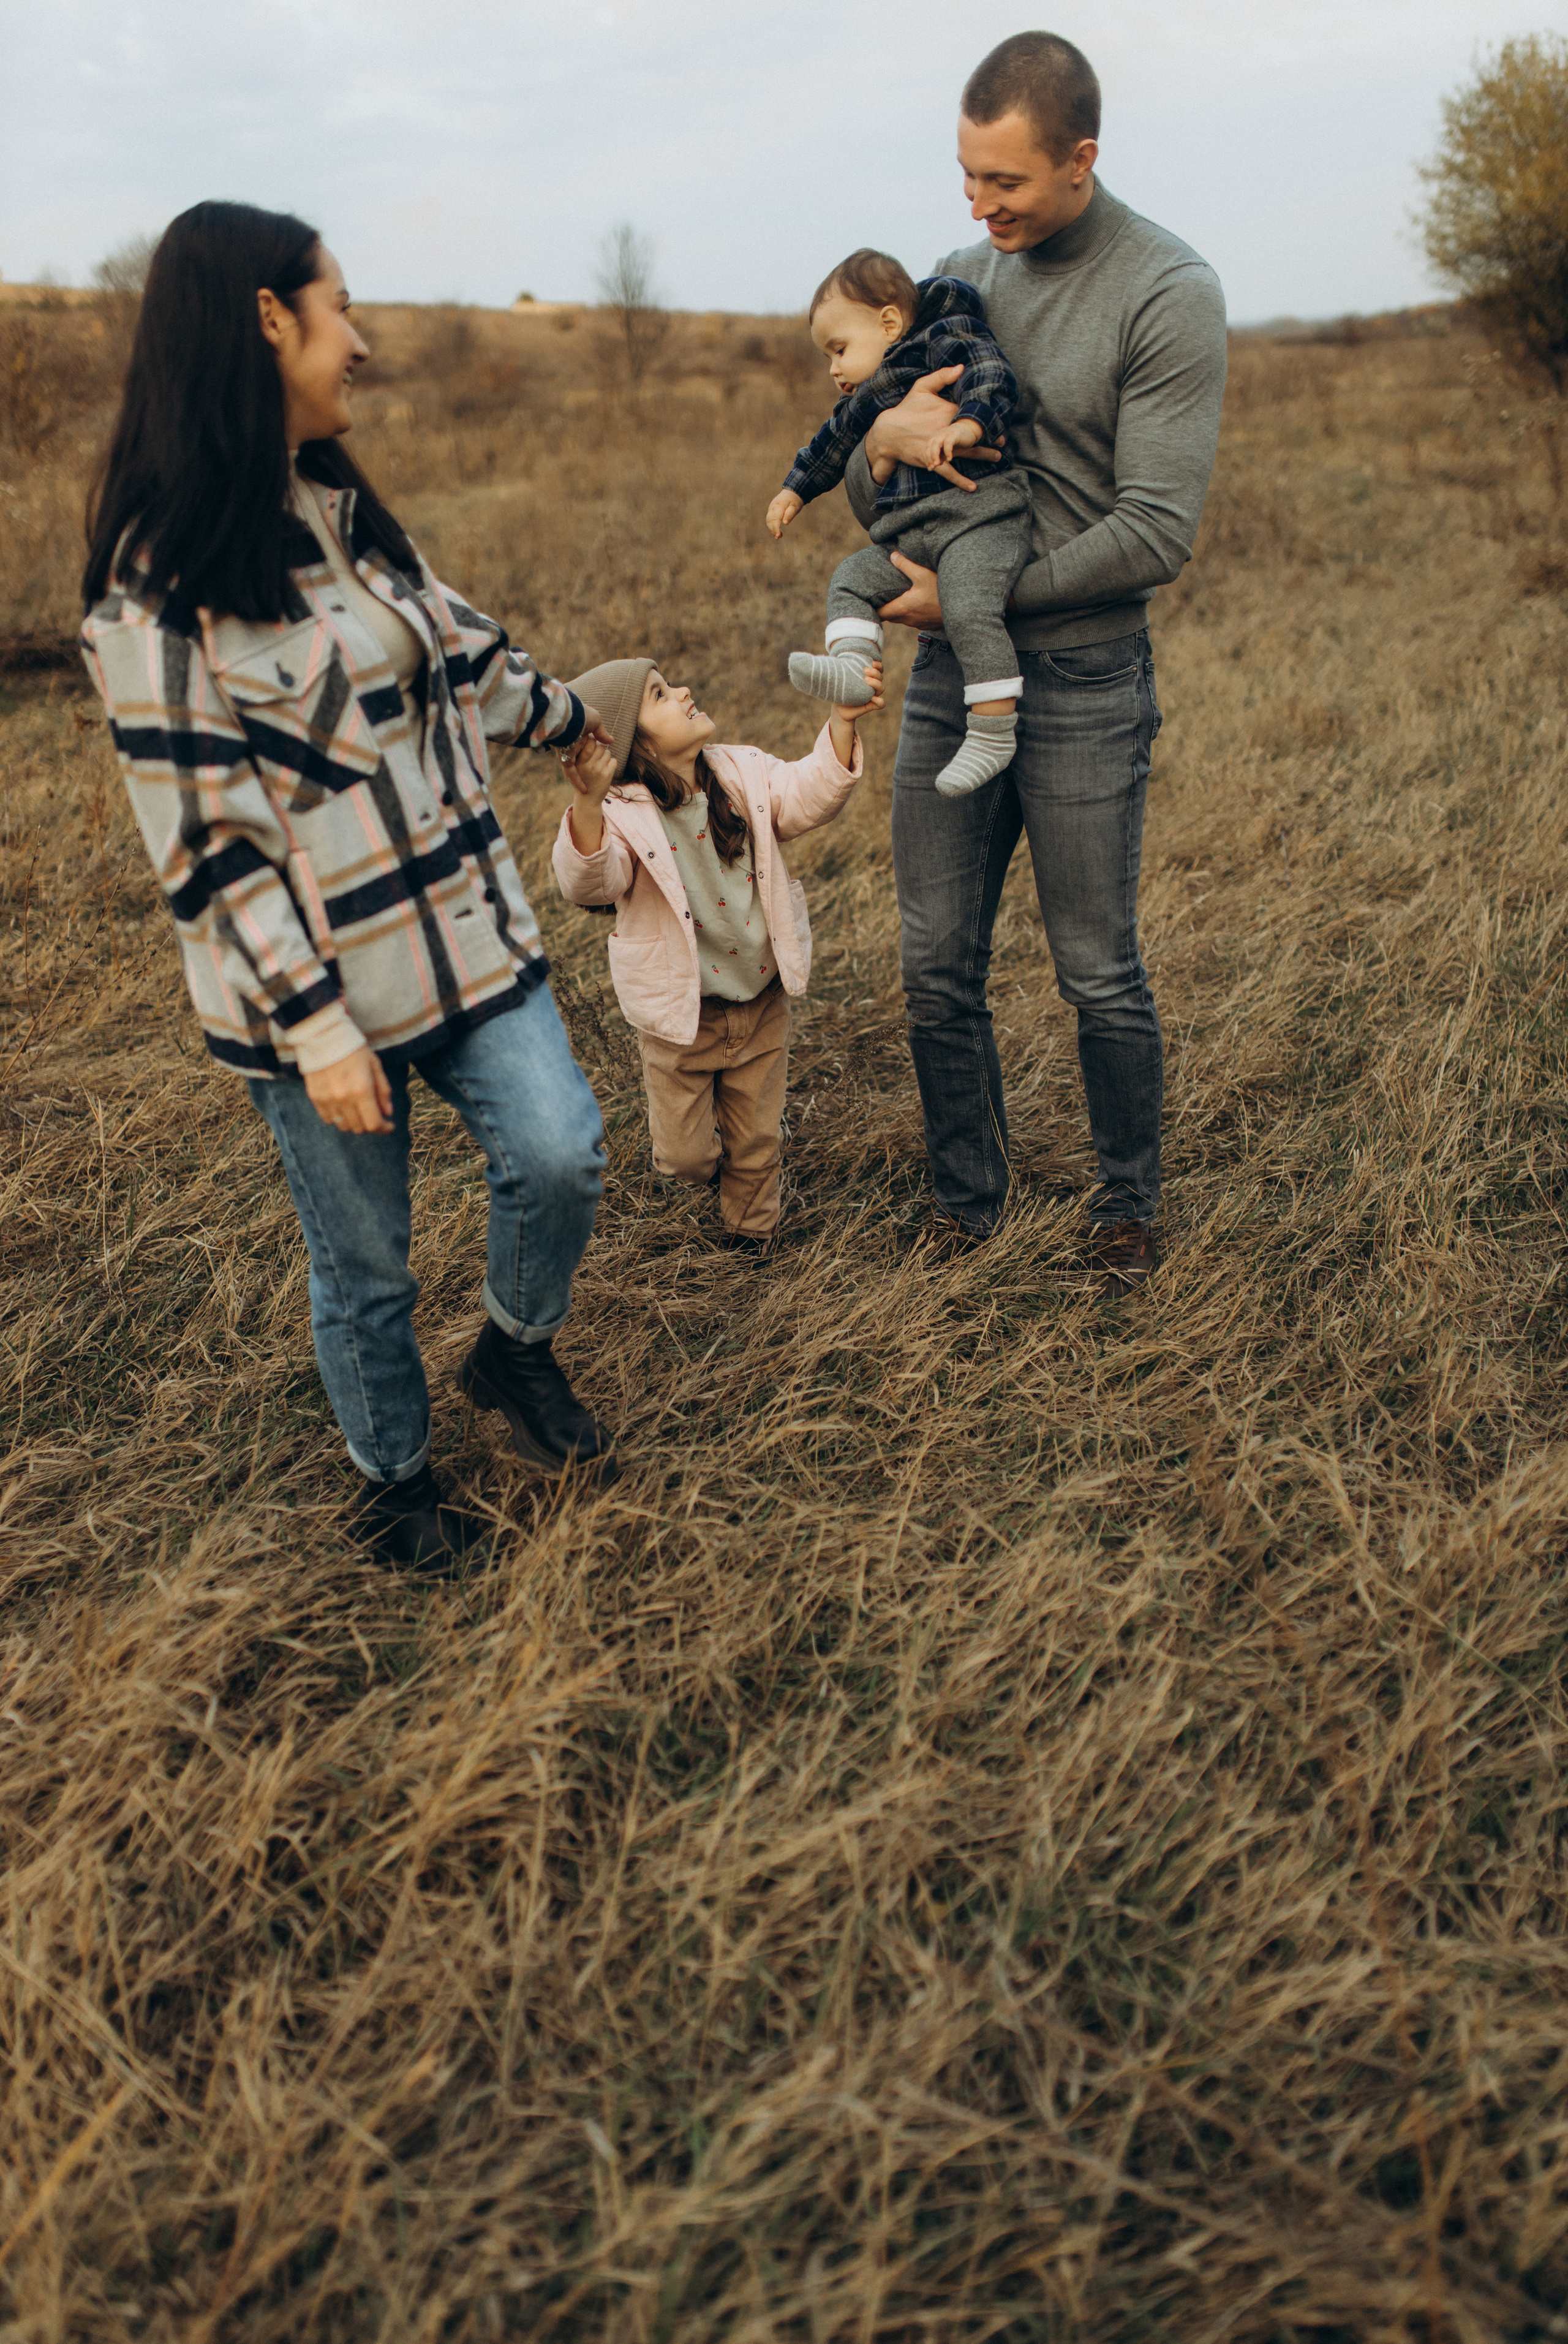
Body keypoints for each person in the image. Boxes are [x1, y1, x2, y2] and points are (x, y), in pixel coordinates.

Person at [80, 200, 617, 1570]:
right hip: (321, 1000)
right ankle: (394, 1478)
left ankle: (512, 1351)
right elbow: (205, 841)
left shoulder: (346, 515)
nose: (360, 342)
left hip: (466, 937)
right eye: (338, 311)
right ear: (268, 321)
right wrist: (316, 1026)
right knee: (368, 1261)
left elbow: (463, 652)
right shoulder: (155, 588)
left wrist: (579, 723)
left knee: (560, 1152)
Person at [841, 32, 1227, 1290]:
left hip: (1080, 685)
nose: (976, 206)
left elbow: (1153, 529)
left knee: (1093, 967)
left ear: (1080, 159)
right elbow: (869, 474)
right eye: (963, 174)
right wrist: (882, 437)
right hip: (952, 686)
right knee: (932, 957)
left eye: (1003, 181)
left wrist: (970, 607)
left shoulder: (1166, 288)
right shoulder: (954, 277)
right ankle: (967, 1201)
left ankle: (1125, 1206)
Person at [551, 659, 881, 1247]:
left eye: (670, 681)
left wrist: (841, 720)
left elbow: (807, 794)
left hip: (761, 1001)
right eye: (659, 694)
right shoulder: (621, 817)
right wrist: (587, 804)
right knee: (685, 1160)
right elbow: (589, 884)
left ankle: (752, 1241)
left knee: (757, 1142)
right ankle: (714, 1164)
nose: (682, 690)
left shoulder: (742, 772)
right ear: (630, 740)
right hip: (683, 1021)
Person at [766, 248, 1030, 799]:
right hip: (912, 538)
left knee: (969, 604)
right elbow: (832, 443)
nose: (834, 367)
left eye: (840, 349)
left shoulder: (943, 338)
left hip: (978, 521)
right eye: (827, 356)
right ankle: (852, 669)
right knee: (850, 580)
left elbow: (989, 372)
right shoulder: (867, 396)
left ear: (888, 323)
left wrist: (970, 426)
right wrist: (796, 487)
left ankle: (991, 730)